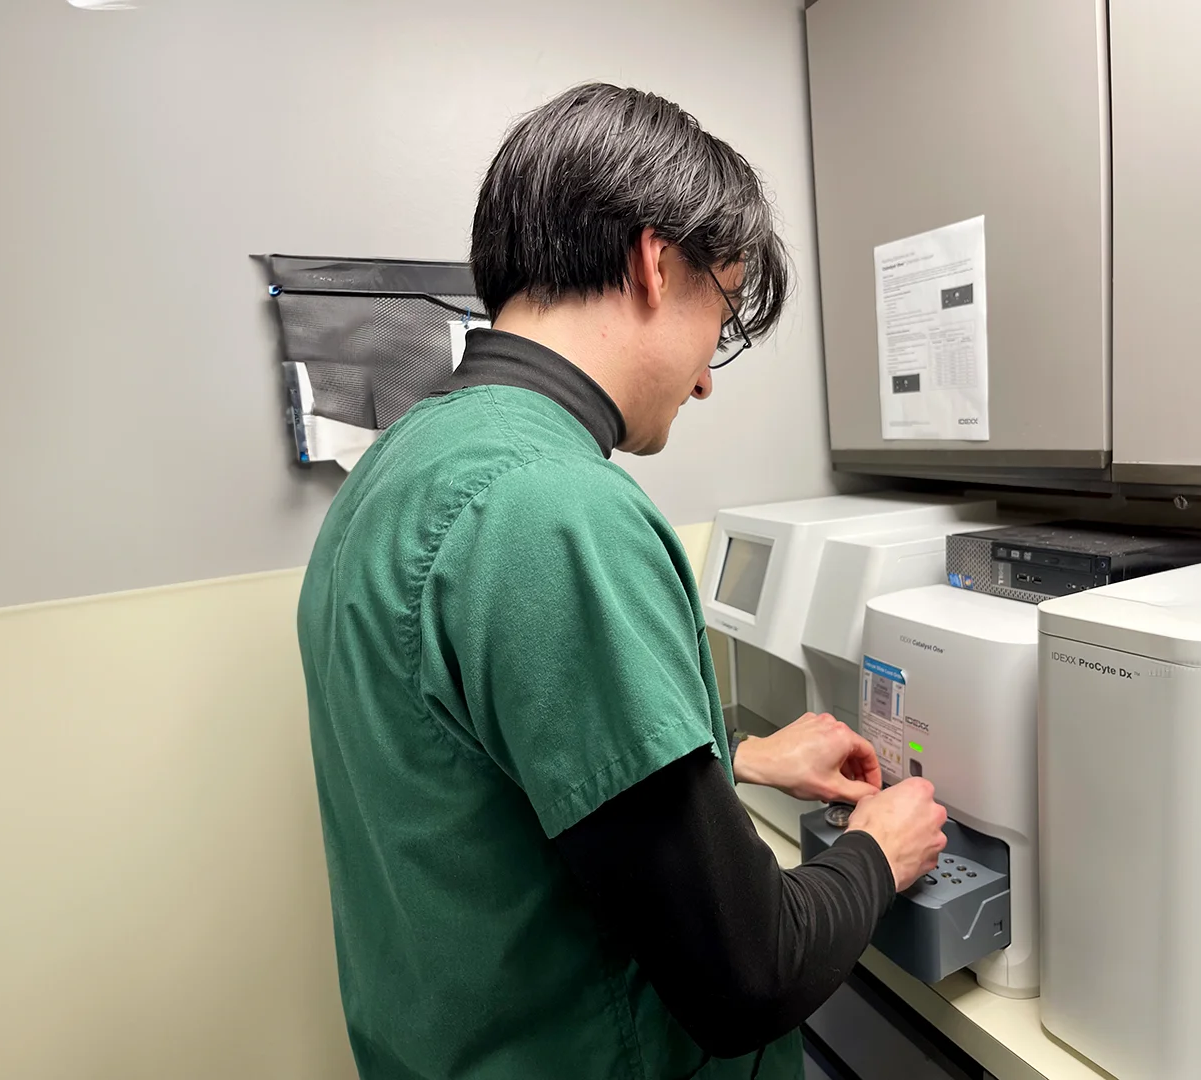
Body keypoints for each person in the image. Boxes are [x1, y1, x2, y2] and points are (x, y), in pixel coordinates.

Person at [297, 83, 949, 1080]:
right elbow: (750, 975)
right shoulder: (559, 511)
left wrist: (736, 759)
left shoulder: (399, 469)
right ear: (654, 262)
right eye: (720, 318)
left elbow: (499, 779)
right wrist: (878, 849)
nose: (703, 379)